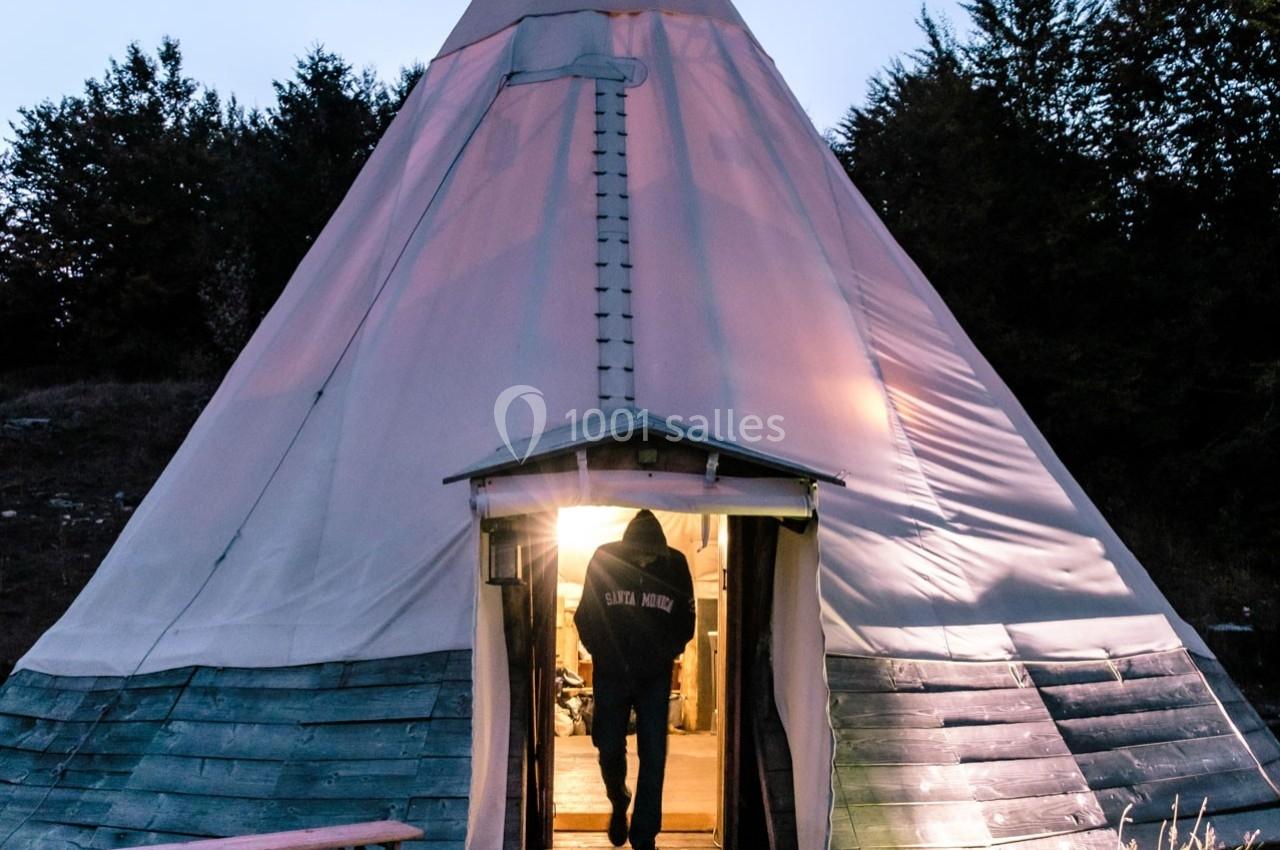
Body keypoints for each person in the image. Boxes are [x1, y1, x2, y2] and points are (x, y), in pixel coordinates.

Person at [574, 509, 695, 850]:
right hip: (612, 671)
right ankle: (618, 799)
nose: (643, 560)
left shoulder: (675, 565)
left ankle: (645, 836)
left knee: (654, 754)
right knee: (608, 745)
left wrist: (662, 655)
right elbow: (586, 615)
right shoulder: (604, 559)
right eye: (638, 555)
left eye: (650, 556)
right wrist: (604, 653)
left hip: (654, 675)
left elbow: (686, 624)